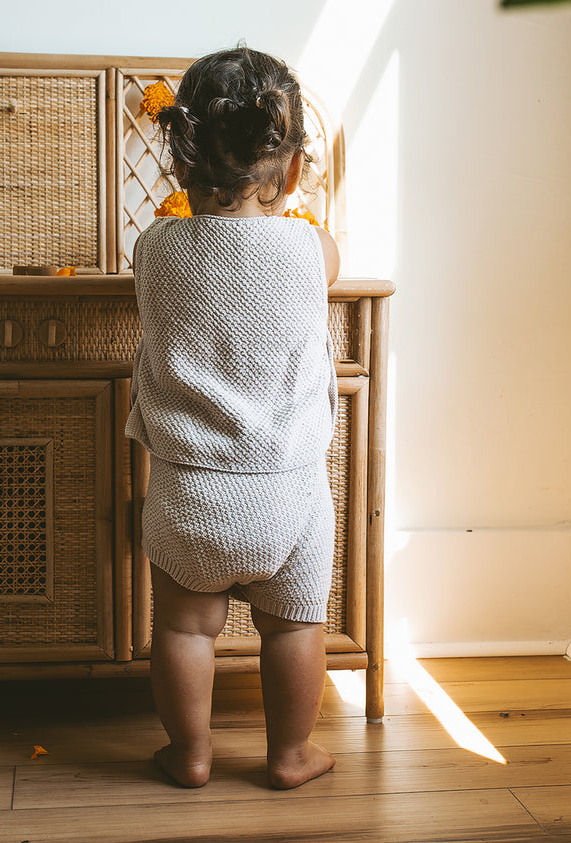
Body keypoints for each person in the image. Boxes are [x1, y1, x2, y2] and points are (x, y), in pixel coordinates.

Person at [126, 46, 341, 791]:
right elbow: (314, 267)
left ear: (181, 158)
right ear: (288, 168)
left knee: (184, 629)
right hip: (289, 493)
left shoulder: (153, 247)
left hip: (187, 491)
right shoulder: (311, 249)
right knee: (294, 626)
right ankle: (290, 755)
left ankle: (189, 753)